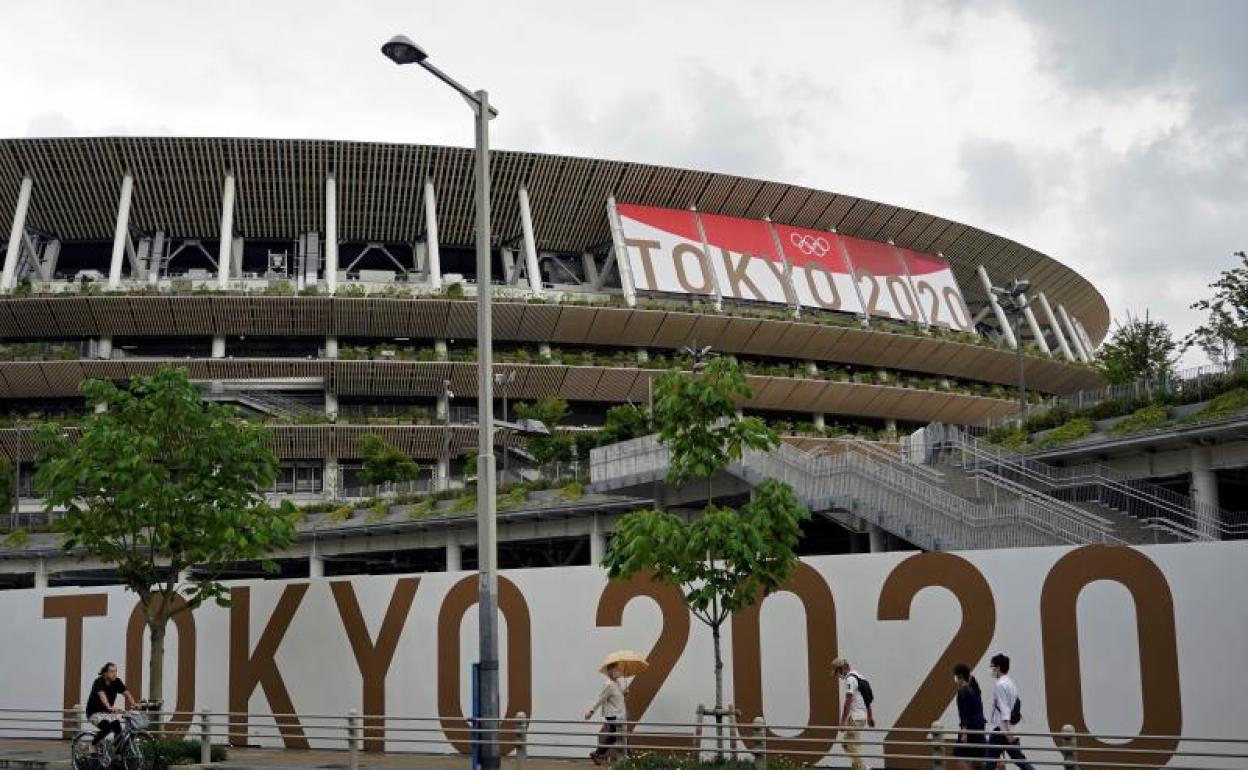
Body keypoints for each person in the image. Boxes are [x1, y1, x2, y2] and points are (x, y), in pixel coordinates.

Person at [985, 653, 1035, 770]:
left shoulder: (1000, 685)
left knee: (990, 761)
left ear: (998, 667)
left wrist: (1007, 733)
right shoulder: (1010, 683)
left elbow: (1004, 709)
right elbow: (1015, 705)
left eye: (992, 666)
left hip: (1001, 730)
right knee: (1020, 760)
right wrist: (1010, 732)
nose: (991, 669)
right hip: (1009, 729)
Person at [85, 662, 138, 756]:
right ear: (105, 673)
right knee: (107, 727)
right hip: (94, 713)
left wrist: (134, 705)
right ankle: (93, 744)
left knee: (118, 728)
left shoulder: (117, 681)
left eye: (115, 671)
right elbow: (102, 695)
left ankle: (117, 756)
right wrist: (108, 706)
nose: (114, 674)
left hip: (107, 713)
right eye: (111, 671)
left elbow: (127, 693)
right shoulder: (99, 682)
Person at [832, 657, 874, 770]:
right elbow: (867, 699)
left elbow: (848, 701)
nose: (838, 675)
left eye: (837, 671)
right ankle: (857, 767)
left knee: (850, 745)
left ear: (842, 668)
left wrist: (843, 721)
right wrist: (870, 716)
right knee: (849, 744)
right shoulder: (859, 677)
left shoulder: (850, 679)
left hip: (855, 717)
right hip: (861, 716)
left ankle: (862, 768)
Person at [584, 662, 626, 766]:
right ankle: (625, 759)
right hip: (613, 715)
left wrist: (624, 693)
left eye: (619, 670)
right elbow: (601, 699)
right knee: (620, 736)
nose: (619, 672)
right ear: (611, 672)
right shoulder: (608, 685)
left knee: (614, 736)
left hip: (619, 714)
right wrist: (591, 711)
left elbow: (617, 698)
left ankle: (597, 753)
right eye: (617, 670)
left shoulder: (617, 684)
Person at [952, 663, 987, 770]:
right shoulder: (975, 689)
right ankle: (999, 766)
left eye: (956, 676)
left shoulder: (962, 692)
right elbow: (972, 679)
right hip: (980, 728)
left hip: (970, 730)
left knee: (960, 758)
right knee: (979, 761)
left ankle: (999, 766)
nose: (955, 679)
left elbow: (964, 714)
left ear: (960, 676)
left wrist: (964, 733)